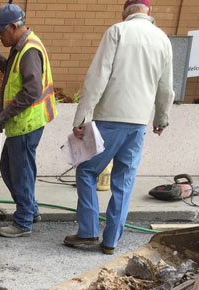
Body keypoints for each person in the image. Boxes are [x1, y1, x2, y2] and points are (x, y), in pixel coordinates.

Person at [64, 0, 174, 254]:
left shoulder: (117, 31)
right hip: (138, 122)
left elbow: (97, 76)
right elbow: (166, 86)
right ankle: (111, 241)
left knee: (87, 171)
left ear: (125, 11)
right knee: (124, 180)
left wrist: (81, 118)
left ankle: (89, 231)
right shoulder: (162, 39)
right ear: (149, 12)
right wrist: (161, 118)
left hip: (109, 118)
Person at [0, 4, 57, 238]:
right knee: (9, 167)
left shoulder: (29, 50)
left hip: (27, 123)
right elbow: (15, 74)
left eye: (1, 32)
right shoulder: (22, 46)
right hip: (22, 124)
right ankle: (30, 210)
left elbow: (31, 90)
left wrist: (5, 115)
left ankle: (24, 220)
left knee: (21, 172)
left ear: (13, 27)